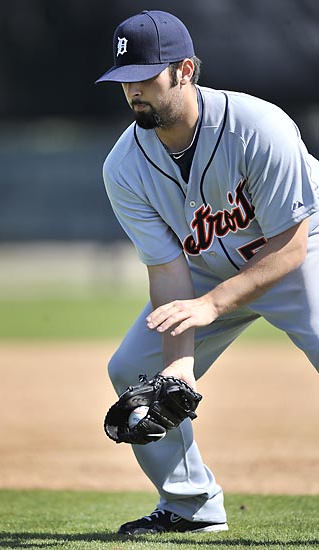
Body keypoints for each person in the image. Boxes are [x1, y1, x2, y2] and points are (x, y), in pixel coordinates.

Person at [95, 10, 319, 535]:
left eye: (146, 76)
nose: (133, 91)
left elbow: (288, 247)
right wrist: (179, 367)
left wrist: (213, 305)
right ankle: (190, 507)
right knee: (134, 370)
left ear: (186, 70)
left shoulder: (258, 127)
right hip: (206, 273)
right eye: (124, 80)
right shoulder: (124, 167)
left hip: (303, 250)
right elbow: (168, 269)